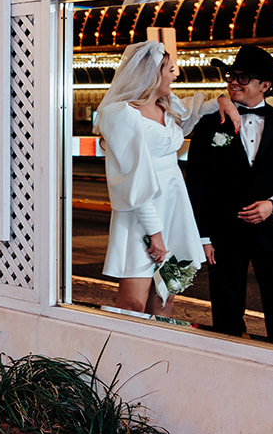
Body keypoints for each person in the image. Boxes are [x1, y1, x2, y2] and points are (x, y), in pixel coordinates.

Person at [185, 44, 273, 347]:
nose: (234, 82)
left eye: (243, 78)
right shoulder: (209, 124)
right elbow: (196, 183)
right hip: (224, 233)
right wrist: (203, 237)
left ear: (265, 86)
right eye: (232, 76)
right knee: (225, 313)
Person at [94, 40, 237, 315]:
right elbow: (133, 179)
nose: (176, 73)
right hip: (142, 213)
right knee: (134, 302)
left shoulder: (168, 105)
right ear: (152, 73)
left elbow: (198, 109)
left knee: (165, 297)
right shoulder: (121, 115)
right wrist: (155, 234)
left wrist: (222, 100)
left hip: (173, 205)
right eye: (170, 69)